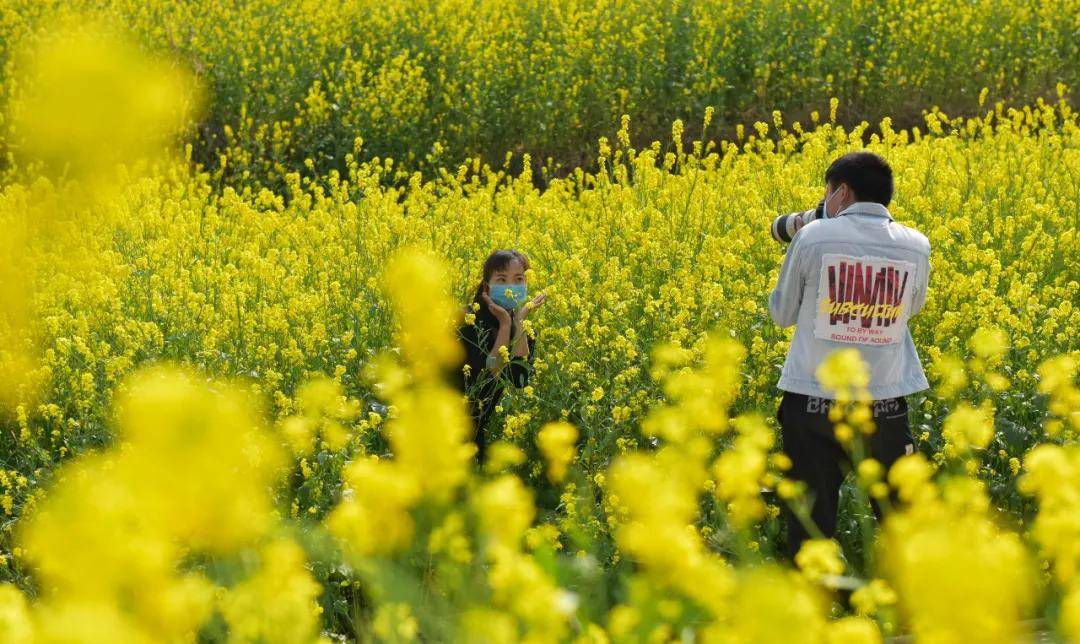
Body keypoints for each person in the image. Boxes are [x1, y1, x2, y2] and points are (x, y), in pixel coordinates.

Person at [768, 151, 931, 561]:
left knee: (810, 520)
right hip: (885, 402)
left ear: (841, 191)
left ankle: (815, 607)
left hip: (813, 400)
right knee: (903, 516)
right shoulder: (917, 246)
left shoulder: (813, 236)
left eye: (828, 191)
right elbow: (912, 309)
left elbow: (781, 313)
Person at [456, 249, 547, 466]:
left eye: (518, 280)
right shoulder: (465, 321)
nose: (511, 288)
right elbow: (486, 376)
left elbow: (520, 379)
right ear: (487, 287)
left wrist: (516, 323)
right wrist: (506, 324)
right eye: (502, 280)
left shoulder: (522, 326)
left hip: (476, 427)